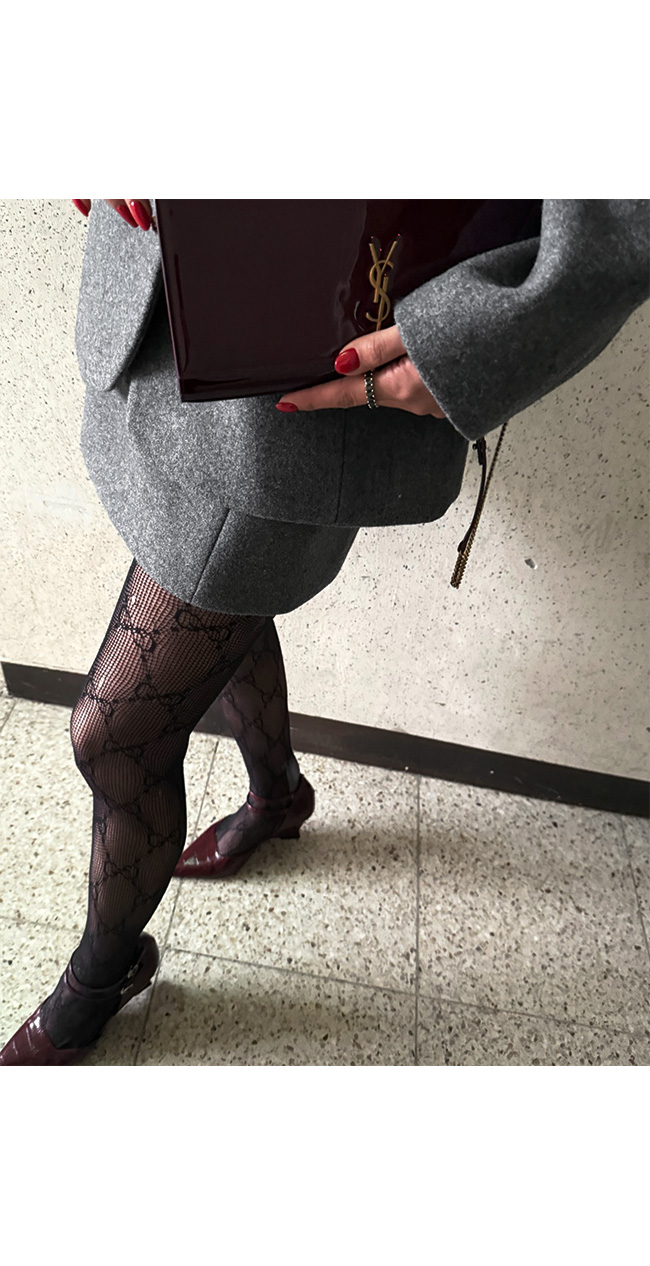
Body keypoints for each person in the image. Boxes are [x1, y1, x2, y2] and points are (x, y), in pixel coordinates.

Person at [1, 197, 648, 1066]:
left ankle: (99, 978)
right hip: (149, 290)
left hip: (307, 345)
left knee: (113, 735)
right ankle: (279, 797)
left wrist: (480, 337)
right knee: (220, 600)